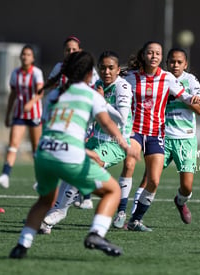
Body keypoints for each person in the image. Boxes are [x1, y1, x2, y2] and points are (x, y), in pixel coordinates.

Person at [9, 51, 138, 258]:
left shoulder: (55, 94)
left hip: (44, 153)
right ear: (90, 73)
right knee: (111, 191)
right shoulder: (91, 95)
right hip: (72, 151)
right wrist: (125, 145)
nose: (103, 72)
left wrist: (85, 149)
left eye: (108, 68)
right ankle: (95, 232)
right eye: (99, 69)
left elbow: (55, 127)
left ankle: (22, 245)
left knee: (44, 201)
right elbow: (109, 122)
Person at [39, 50, 133, 234]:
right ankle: (53, 214)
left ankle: (58, 213)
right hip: (94, 140)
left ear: (117, 69)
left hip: (114, 142)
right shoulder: (97, 84)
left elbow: (121, 119)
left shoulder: (122, 87)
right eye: (103, 68)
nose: (106, 72)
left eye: (111, 68)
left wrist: (101, 100)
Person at [115, 41, 200, 232]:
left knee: (154, 181)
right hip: (135, 131)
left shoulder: (167, 78)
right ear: (143, 55)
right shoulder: (130, 77)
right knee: (129, 164)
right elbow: (113, 82)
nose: (154, 56)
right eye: (150, 53)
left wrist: (192, 99)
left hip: (156, 134)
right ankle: (121, 212)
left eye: (157, 53)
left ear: (161, 58)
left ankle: (136, 220)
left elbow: (183, 96)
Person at [0, 45, 44, 188]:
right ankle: (5, 175)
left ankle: (41, 179)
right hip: (19, 114)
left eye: (28, 54)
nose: (25, 57)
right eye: (23, 54)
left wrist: (31, 103)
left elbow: (40, 92)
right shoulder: (15, 73)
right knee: (13, 144)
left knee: (36, 148)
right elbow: (12, 95)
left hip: (34, 114)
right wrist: (8, 114)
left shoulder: (37, 73)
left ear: (32, 58)